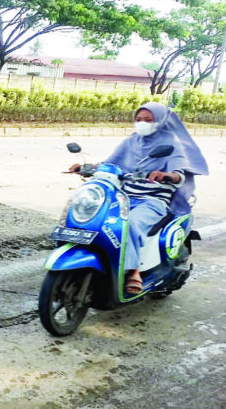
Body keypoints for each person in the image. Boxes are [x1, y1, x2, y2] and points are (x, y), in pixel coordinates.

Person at [69, 102, 209, 295]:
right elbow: (110, 163)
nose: (142, 123)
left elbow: (180, 172)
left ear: (159, 121)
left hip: (152, 200)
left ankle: (133, 271)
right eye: (139, 119)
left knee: (130, 224)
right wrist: (87, 167)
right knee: (98, 220)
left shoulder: (171, 142)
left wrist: (167, 175)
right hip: (123, 196)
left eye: (148, 120)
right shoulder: (131, 141)